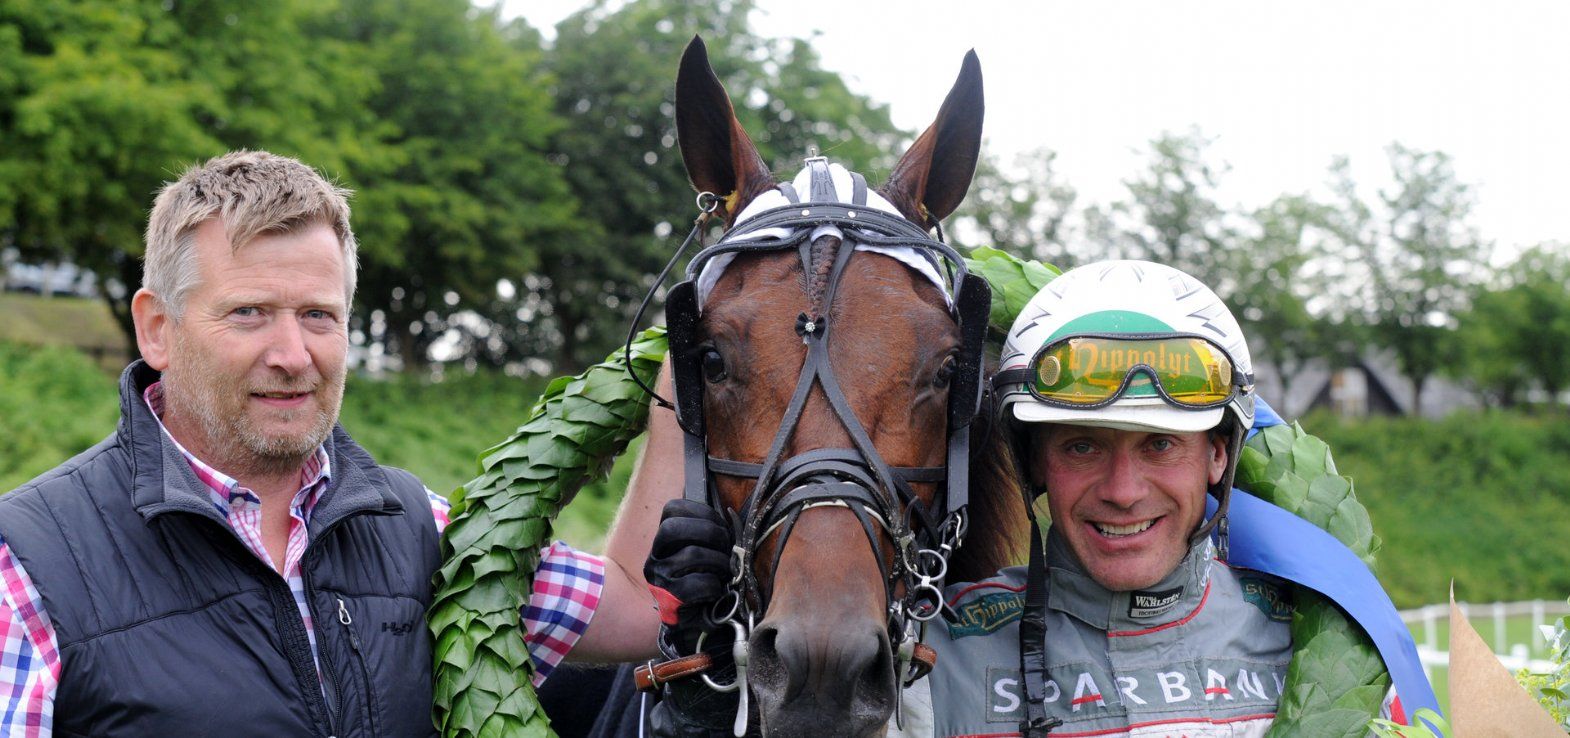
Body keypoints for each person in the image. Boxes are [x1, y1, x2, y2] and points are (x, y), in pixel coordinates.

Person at [0, 151, 663, 736]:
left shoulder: (413, 525)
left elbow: (640, 612)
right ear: (157, 329)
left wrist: (677, 394)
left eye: (319, 315)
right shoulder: (30, 561)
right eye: (248, 312)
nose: (292, 355)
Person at [642, 259, 1434, 737]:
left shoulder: (1325, 641)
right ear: (1031, 465)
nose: (1124, 493)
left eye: (1161, 445)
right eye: (1082, 445)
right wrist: (701, 677)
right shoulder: (927, 657)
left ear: (1219, 456)